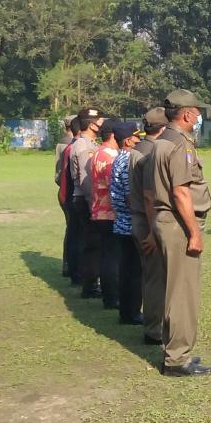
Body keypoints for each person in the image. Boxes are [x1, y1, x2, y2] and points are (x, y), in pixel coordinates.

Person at [152, 89, 211, 377]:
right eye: (198, 112)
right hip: (179, 224)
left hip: (167, 221)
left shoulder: (163, 140)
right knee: (182, 293)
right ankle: (177, 358)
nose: (200, 116)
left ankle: (177, 349)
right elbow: (180, 192)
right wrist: (194, 233)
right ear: (188, 114)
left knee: (174, 289)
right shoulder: (180, 145)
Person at [132, 107, 168, 345]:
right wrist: (155, 231)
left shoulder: (137, 149)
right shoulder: (151, 153)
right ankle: (154, 330)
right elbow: (148, 197)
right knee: (156, 278)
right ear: (164, 128)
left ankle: (153, 324)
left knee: (150, 276)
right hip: (149, 220)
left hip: (140, 218)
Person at [108, 121, 143, 326]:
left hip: (121, 221)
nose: (140, 140)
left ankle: (126, 311)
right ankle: (131, 312)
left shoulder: (118, 158)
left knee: (126, 268)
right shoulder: (129, 160)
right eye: (137, 137)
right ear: (129, 140)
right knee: (134, 271)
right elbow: (131, 195)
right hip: (130, 221)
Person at [68, 109, 103, 291]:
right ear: (91, 124)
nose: (103, 123)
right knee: (91, 243)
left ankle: (90, 279)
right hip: (85, 198)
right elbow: (86, 177)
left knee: (93, 241)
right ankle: (89, 284)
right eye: (100, 120)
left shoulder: (90, 143)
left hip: (87, 198)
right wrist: (93, 203)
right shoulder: (83, 145)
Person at [89, 121, 121, 309]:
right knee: (112, 257)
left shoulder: (97, 153)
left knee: (106, 255)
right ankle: (112, 298)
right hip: (109, 212)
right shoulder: (110, 157)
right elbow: (114, 185)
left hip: (98, 210)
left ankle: (109, 295)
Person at [53, 114, 77, 278]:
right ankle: (71, 265)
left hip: (62, 188)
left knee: (71, 230)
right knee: (74, 231)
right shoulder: (70, 143)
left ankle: (68, 264)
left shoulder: (61, 142)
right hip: (69, 190)